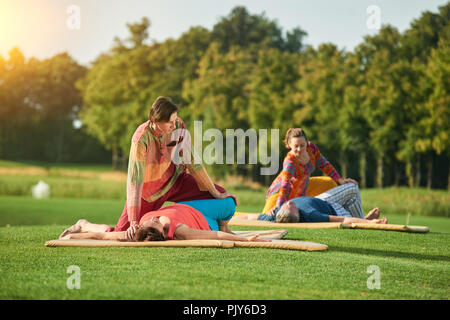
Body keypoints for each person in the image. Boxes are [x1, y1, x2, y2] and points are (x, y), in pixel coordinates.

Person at [111, 96, 237, 240]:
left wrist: (215, 192)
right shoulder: (141, 139)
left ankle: (224, 228)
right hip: (148, 194)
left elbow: (192, 161)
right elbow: (135, 181)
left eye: (174, 120)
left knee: (219, 196)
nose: (174, 125)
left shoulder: (178, 126)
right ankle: (84, 225)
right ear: (156, 121)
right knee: (124, 233)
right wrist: (133, 220)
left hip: (175, 181)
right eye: (169, 122)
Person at [59, 198, 267, 242]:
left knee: (115, 231)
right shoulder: (180, 231)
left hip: (188, 206)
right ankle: (224, 220)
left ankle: (82, 221)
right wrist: (245, 240)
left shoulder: (137, 230)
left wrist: (77, 234)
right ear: (162, 232)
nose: (156, 217)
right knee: (229, 206)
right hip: (205, 221)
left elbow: (102, 236)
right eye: (156, 221)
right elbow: (215, 235)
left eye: (151, 219)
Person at [263, 128, 357, 215]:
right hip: (280, 194)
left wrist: (340, 180)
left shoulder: (311, 148)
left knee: (331, 183)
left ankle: (345, 213)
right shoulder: (290, 162)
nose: (299, 149)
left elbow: (324, 164)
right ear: (289, 144)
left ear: (307, 143)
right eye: (296, 146)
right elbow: (285, 186)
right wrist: (278, 207)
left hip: (302, 187)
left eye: (302, 145)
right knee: (268, 216)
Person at [232, 194, 387, 225]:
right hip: (334, 207)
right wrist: (369, 225)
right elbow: (343, 220)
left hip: (317, 197)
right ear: (297, 214)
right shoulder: (311, 215)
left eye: (285, 206)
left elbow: (247, 217)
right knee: (353, 189)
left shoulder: (273, 215)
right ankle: (366, 220)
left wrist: (226, 219)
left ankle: (366, 219)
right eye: (291, 206)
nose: (289, 203)